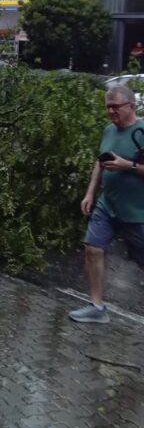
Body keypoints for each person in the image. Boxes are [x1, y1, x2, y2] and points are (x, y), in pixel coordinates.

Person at [69, 85, 144, 324]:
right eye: (108, 107)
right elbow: (100, 162)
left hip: (137, 212)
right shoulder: (108, 131)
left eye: (116, 107)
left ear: (131, 106)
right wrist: (90, 193)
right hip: (107, 206)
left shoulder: (142, 131)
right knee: (93, 248)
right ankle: (96, 307)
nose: (111, 111)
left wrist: (128, 166)